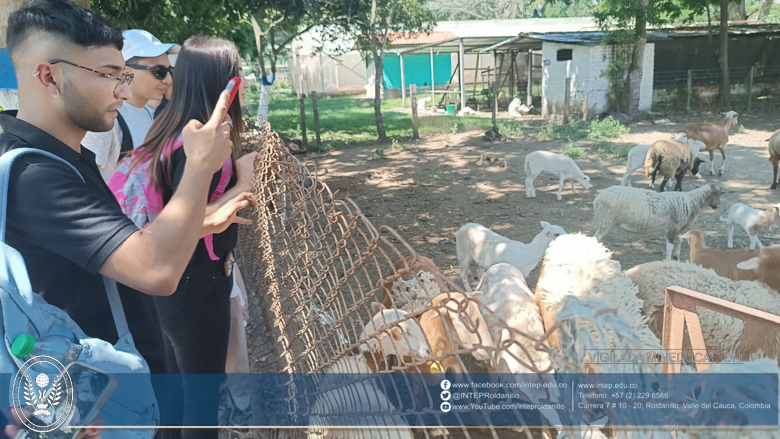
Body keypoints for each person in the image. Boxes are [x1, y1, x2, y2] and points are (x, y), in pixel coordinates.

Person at [2, 0, 252, 415]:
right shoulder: (35, 175)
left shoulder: (66, 157)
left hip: (117, 384)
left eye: (123, 75)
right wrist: (200, 167)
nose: (123, 90)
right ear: (49, 76)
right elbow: (156, 270)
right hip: (101, 405)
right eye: (108, 76)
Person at [127, 36, 256, 438]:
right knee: (201, 399)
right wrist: (246, 181)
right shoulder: (203, 144)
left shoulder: (170, 126)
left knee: (175, 393)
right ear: (226, 83)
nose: (245, 82)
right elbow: (184, 220)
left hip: (164, 284)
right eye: (239, 74)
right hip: (194, 282)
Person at [81, 29, 175, 181]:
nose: (168, 80)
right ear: (126, 72)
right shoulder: (106, 120)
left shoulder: (148, 114)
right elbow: (87, 182)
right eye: (160, 71)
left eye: (169, 70)